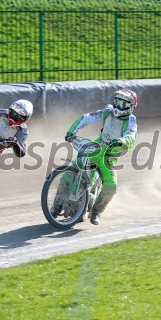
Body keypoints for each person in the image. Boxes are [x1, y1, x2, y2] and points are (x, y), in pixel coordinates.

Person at [64, 89, 138, 225]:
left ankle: (97, 211)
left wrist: (121, 141)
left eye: (124, 104)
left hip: (109, 156)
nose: (119, 106)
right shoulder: (107, 111)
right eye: (117, 102)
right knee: (70, 170)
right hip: (95, 147)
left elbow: (131, 136)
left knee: (111, 186)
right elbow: (87, 118)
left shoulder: (131, 120)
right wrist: (71, 132)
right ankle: (56, 204)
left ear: (131, 107)